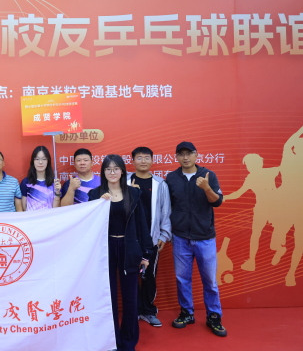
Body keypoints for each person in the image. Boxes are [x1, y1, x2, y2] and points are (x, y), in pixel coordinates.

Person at [88, 154, 153, 351]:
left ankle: (128, 341)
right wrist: (99, 204)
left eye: (116, 168)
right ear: (103, 172)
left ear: (123, 171)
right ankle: (112, 340)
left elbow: (142, 224)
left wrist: (145, 254)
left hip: (129, 248)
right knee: (108, 297)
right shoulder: (95, 194)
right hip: (105, 249)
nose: (112, 172)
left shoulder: (133, 193)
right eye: (108, 169)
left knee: (130, 297)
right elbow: (89, 225)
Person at [166, 141, 227, 337]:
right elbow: (168, 206)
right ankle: (187, 313)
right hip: (180, 237)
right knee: (182, 279)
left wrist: (207, 188)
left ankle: (214, 316)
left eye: (189, 153)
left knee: (210, 281)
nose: (185, 157)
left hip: (204, 238)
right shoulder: (171, 178)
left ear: (196, 155)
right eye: (181, 154)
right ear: (176, 157)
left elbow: (217, 202)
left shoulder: (208, 175)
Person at [126, 147, 171, 327]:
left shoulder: (160, 184)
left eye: (146, 158)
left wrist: (164, 234)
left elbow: (165, 211)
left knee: (149, 276)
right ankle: (134, 311)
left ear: (152, 160)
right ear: (132, 161)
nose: (143, 161)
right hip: (129, 238)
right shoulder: (124, 181)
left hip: (151, 238)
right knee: (130, 275)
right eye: (139, 158)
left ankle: (148, 311)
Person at [20, 146, 62, 211]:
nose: (40, 162)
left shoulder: (55, 182)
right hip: (32, 217)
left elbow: (56, 209)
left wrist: (57, 193)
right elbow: (24, 208)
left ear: (48, 161)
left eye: (44, 159)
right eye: (37, 159)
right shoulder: (26, 182)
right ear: (33, 161)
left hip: (49, 216)